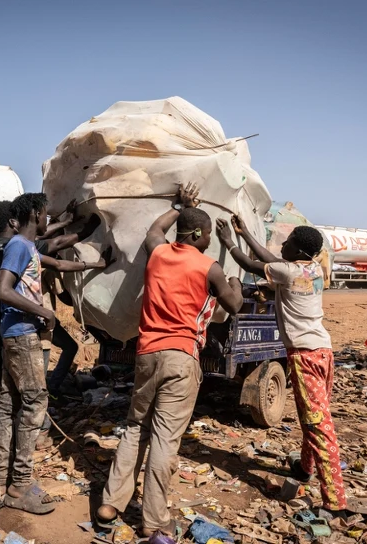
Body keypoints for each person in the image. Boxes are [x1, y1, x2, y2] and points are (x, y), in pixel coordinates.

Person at [96, 183, 244, 537]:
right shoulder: (210, 268)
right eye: (208, 234)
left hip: (146, 353)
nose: (210, 239)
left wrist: (180, 204)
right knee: (164, 438)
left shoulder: (159, 253)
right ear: (199, 234)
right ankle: (153, 521)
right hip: (182, 357)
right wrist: (236, 279)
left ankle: (110, 503)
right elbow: (235, 306)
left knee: (135, 427)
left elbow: (154, 230)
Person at [0, 199, 102, 489]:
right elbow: (55, 245)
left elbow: (46, 237)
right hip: (1, 330)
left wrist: (63, 222)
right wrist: (85, 227)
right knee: (20, 398)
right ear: (16, 222)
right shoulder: (17, 247)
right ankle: (17, 472)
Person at [215, 216, 348, 516]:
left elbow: (252, 265)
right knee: (310, 416)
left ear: (298, 251)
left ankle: (335, 502)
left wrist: (229, 242)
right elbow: (272, 259)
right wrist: (246, 232)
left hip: (304, 356)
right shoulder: (313, 268)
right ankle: (304, 469)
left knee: (319, 426)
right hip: (323, 351)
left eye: (288, 243)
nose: (283, 245)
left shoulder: (287, 271)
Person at [0, 192, 113, 513]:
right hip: (22, 334)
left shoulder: (28, 247)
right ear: (35, 214)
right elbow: (3, 290)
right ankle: (19, 487)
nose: (49, 218)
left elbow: (60, 262)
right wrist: (42, 311)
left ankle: (3, 480)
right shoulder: (19, 246)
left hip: (16, 333)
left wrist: (97, 264)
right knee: (35, 402)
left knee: (11, 403)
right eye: (46, 213)